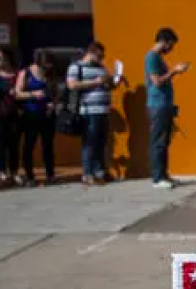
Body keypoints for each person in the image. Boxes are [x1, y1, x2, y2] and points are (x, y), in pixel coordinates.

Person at [67, 41, 117, 185]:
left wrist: (112, 81)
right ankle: (87, 174)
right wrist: (96, 82)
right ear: (92, 53)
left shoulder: (101, 67)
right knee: (89, 143)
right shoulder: (76, 67)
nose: (102, 59)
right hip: (88, 111)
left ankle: (100, 172)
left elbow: (108, 86)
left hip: (103, 110)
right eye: (100, 56)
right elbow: (72, 85)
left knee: (101, 142)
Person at [146, 27, 189, 189]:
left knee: (164, 142)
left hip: (164, 105)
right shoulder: (151, 57)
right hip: (158, 105)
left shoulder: (157, 58)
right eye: (171, 45)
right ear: (165, 41)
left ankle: (164, 175)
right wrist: (175, 71)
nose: (171, 49)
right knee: (158, 142)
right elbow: (156, 81)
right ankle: (157, 178)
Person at [15, 49, 57, 187]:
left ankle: (50, 175)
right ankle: (30, 176)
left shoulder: (50, 73)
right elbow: (17, 94)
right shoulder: (25, 73)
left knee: (48, 146)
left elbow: (55, 93)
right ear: (38, 62)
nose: (48, 67)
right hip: (30, 114)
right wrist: (33, 94)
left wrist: (53, 104)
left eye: (50, 65)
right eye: (46, 64)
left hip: (47, 115)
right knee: (29, 146)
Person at [0, 46, 21, 186]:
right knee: (0, 145)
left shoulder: (18, 74)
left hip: (15, 114)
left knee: (14, 145)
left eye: (1, 57)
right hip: (0, 115)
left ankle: (14, 172)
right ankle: (2, 172)